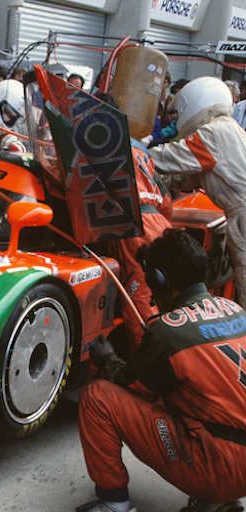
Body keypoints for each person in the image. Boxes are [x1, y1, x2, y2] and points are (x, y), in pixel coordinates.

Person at [76, 229, 246, 512]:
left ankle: (113, 503)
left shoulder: (169, 332)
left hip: (222, 465)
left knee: (98, 397)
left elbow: (131, 382)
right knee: (188, 393)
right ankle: (220, 500)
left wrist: (107, 360)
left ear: (159, 279)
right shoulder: (235, 309)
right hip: (234, 451)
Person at [148, 77, 246, 309]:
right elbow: (190, 174)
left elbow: (166, 158)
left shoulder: (212, 134)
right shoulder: (231, 130)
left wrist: (137, 148)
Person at [94, 92, 172, 351]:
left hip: (132, 230)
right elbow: (167, 200)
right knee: (168, 297)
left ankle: (146, 377)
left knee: (140, 303)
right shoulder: (140, 148)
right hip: (161, 223)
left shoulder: (93, 143)